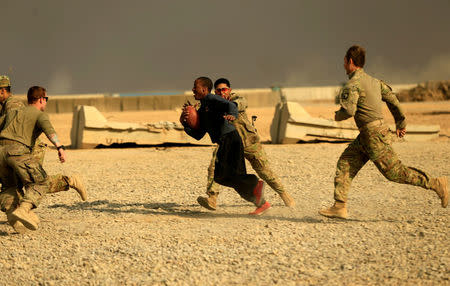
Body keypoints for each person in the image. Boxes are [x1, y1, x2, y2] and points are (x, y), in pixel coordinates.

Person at [319, 45, 448, 219]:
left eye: (344, 61)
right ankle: (339, 206)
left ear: (350, 61)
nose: (343, 65)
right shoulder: (375, 82)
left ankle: (436, 183)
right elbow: (393, 101)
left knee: (394, 172)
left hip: (373, 135)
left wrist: (336, 116)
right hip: (369, 134)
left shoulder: (353, 84)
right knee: (345, 162)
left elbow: (348, 111)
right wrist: (401, 122)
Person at [197, 78, 294, 211]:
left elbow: (238, 105)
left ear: (229, 90)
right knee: (215, 167)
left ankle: (284, 195)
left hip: (249, 142)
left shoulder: (237, 99)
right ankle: (212, 198)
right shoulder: (214, 105)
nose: (221, 92)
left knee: (264, 171)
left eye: (224, 89)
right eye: (218, 90)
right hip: (229, 144)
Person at [181, 77, 271, 215]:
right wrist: (185, 124)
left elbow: (231, 106)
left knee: (222, 176)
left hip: (230, 140)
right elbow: (198, 135)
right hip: (226, 142)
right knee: (233, 178)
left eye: (195, 86)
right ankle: (262, 203)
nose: (193, 89)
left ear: (204, 89)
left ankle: (255, 183)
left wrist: (232, 115)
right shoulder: (202, 110)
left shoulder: (212, 99)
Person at [0, 86, 83, 233]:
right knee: (41, 181)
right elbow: (50, 132)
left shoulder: (13, 111)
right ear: (41, 99)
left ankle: (13, 217)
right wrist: (60, 148)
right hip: (18, 152)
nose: (46, 102)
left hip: (1, 154)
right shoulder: (39, 114)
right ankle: (24, 210)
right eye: (46, 99)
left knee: (9, 186)